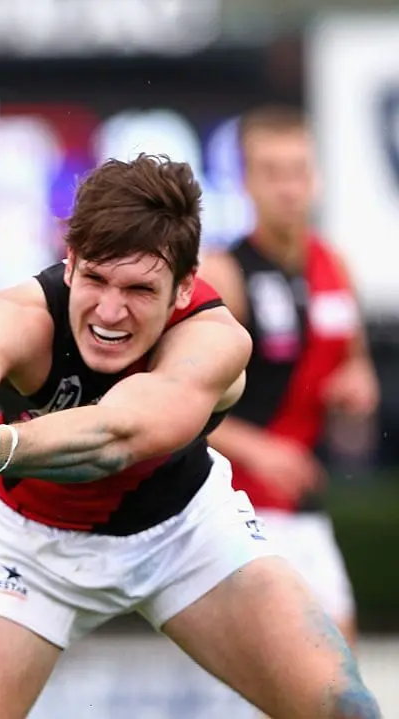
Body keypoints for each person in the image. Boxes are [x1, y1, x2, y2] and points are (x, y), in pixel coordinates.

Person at [0, 154, 381, 719]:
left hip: (185, 535)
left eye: (140, 289)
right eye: (94, 278)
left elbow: (115, 436)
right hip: (26, 549)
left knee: (346, 709)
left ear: (185, 287)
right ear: (68, 264)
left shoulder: (216, 340)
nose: (110, 312)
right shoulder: (19, 315)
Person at [198, 105, 379, 649]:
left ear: (316, 177)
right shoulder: (224, 273)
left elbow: (355, 362)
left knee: (336, 665)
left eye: (298, 171)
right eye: (272, 172)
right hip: (234, 504)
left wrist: (356, 387)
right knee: (292, 667)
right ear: (247, 182)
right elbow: (176, 409)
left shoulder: (333, 265)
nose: (288, 188)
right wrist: (260, 449)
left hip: (300, 504)